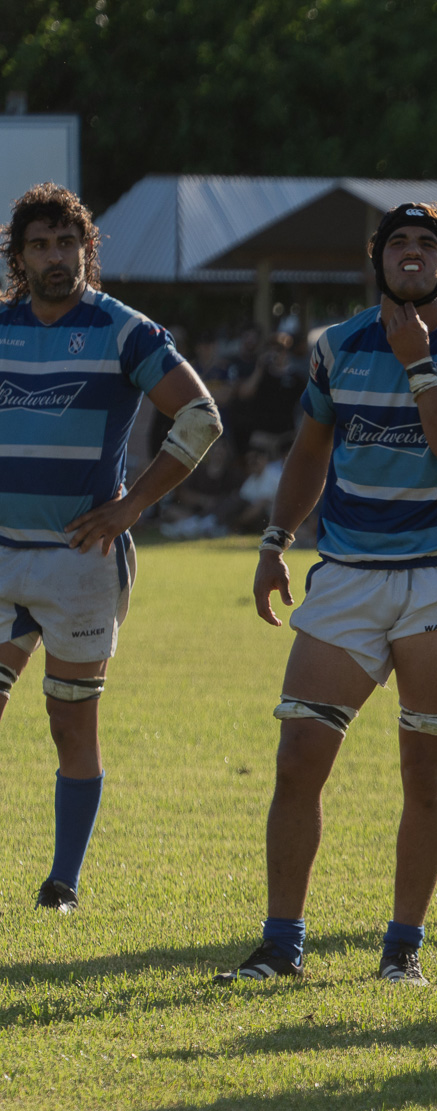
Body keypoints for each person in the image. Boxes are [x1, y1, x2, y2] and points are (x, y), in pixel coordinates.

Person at [216, 202, 437, 986]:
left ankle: (401, 949)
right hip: (345, 575)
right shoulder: (336, 347)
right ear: (375, 257)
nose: (411, 255)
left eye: (426, 245)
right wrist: (275, 541)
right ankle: (282, 945)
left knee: (426, 772)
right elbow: (311, 448)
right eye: (397, 244)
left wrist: (418, 366)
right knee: (298, 758)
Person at [0, 183, 223, 912]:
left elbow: (198, 417)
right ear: (20, 256)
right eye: (40, 244)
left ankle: (63, 880)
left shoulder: (125, 331)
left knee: (71, 721)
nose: (55, 256)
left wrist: (131, 505)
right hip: (2, 554)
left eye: (68, 243)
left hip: (81, 564)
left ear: (88, 251)